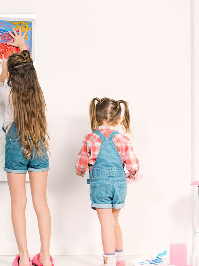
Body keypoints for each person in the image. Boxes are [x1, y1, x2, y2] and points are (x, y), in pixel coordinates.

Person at [0, 28, 53, 266]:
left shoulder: (8, 94)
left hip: (16, 148)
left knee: (19, 203)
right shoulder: (38, 94)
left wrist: (3, 70)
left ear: (13, 77)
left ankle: (25, 258)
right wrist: (24, 46)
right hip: (38, 147)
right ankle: (45, 257)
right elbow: (29, 69)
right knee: (41, 202)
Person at [75, 98, 140, 266]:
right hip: (119, 185)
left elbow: (80, 164)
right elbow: (133, 165)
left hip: (100, 186)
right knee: (114, 222)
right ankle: (120, 260)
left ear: (96, 117)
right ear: (118, 120)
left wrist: (80, 171)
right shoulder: (123, 139)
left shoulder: (90, 138)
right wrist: (132, 176)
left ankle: (109, 261)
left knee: (106, 224)